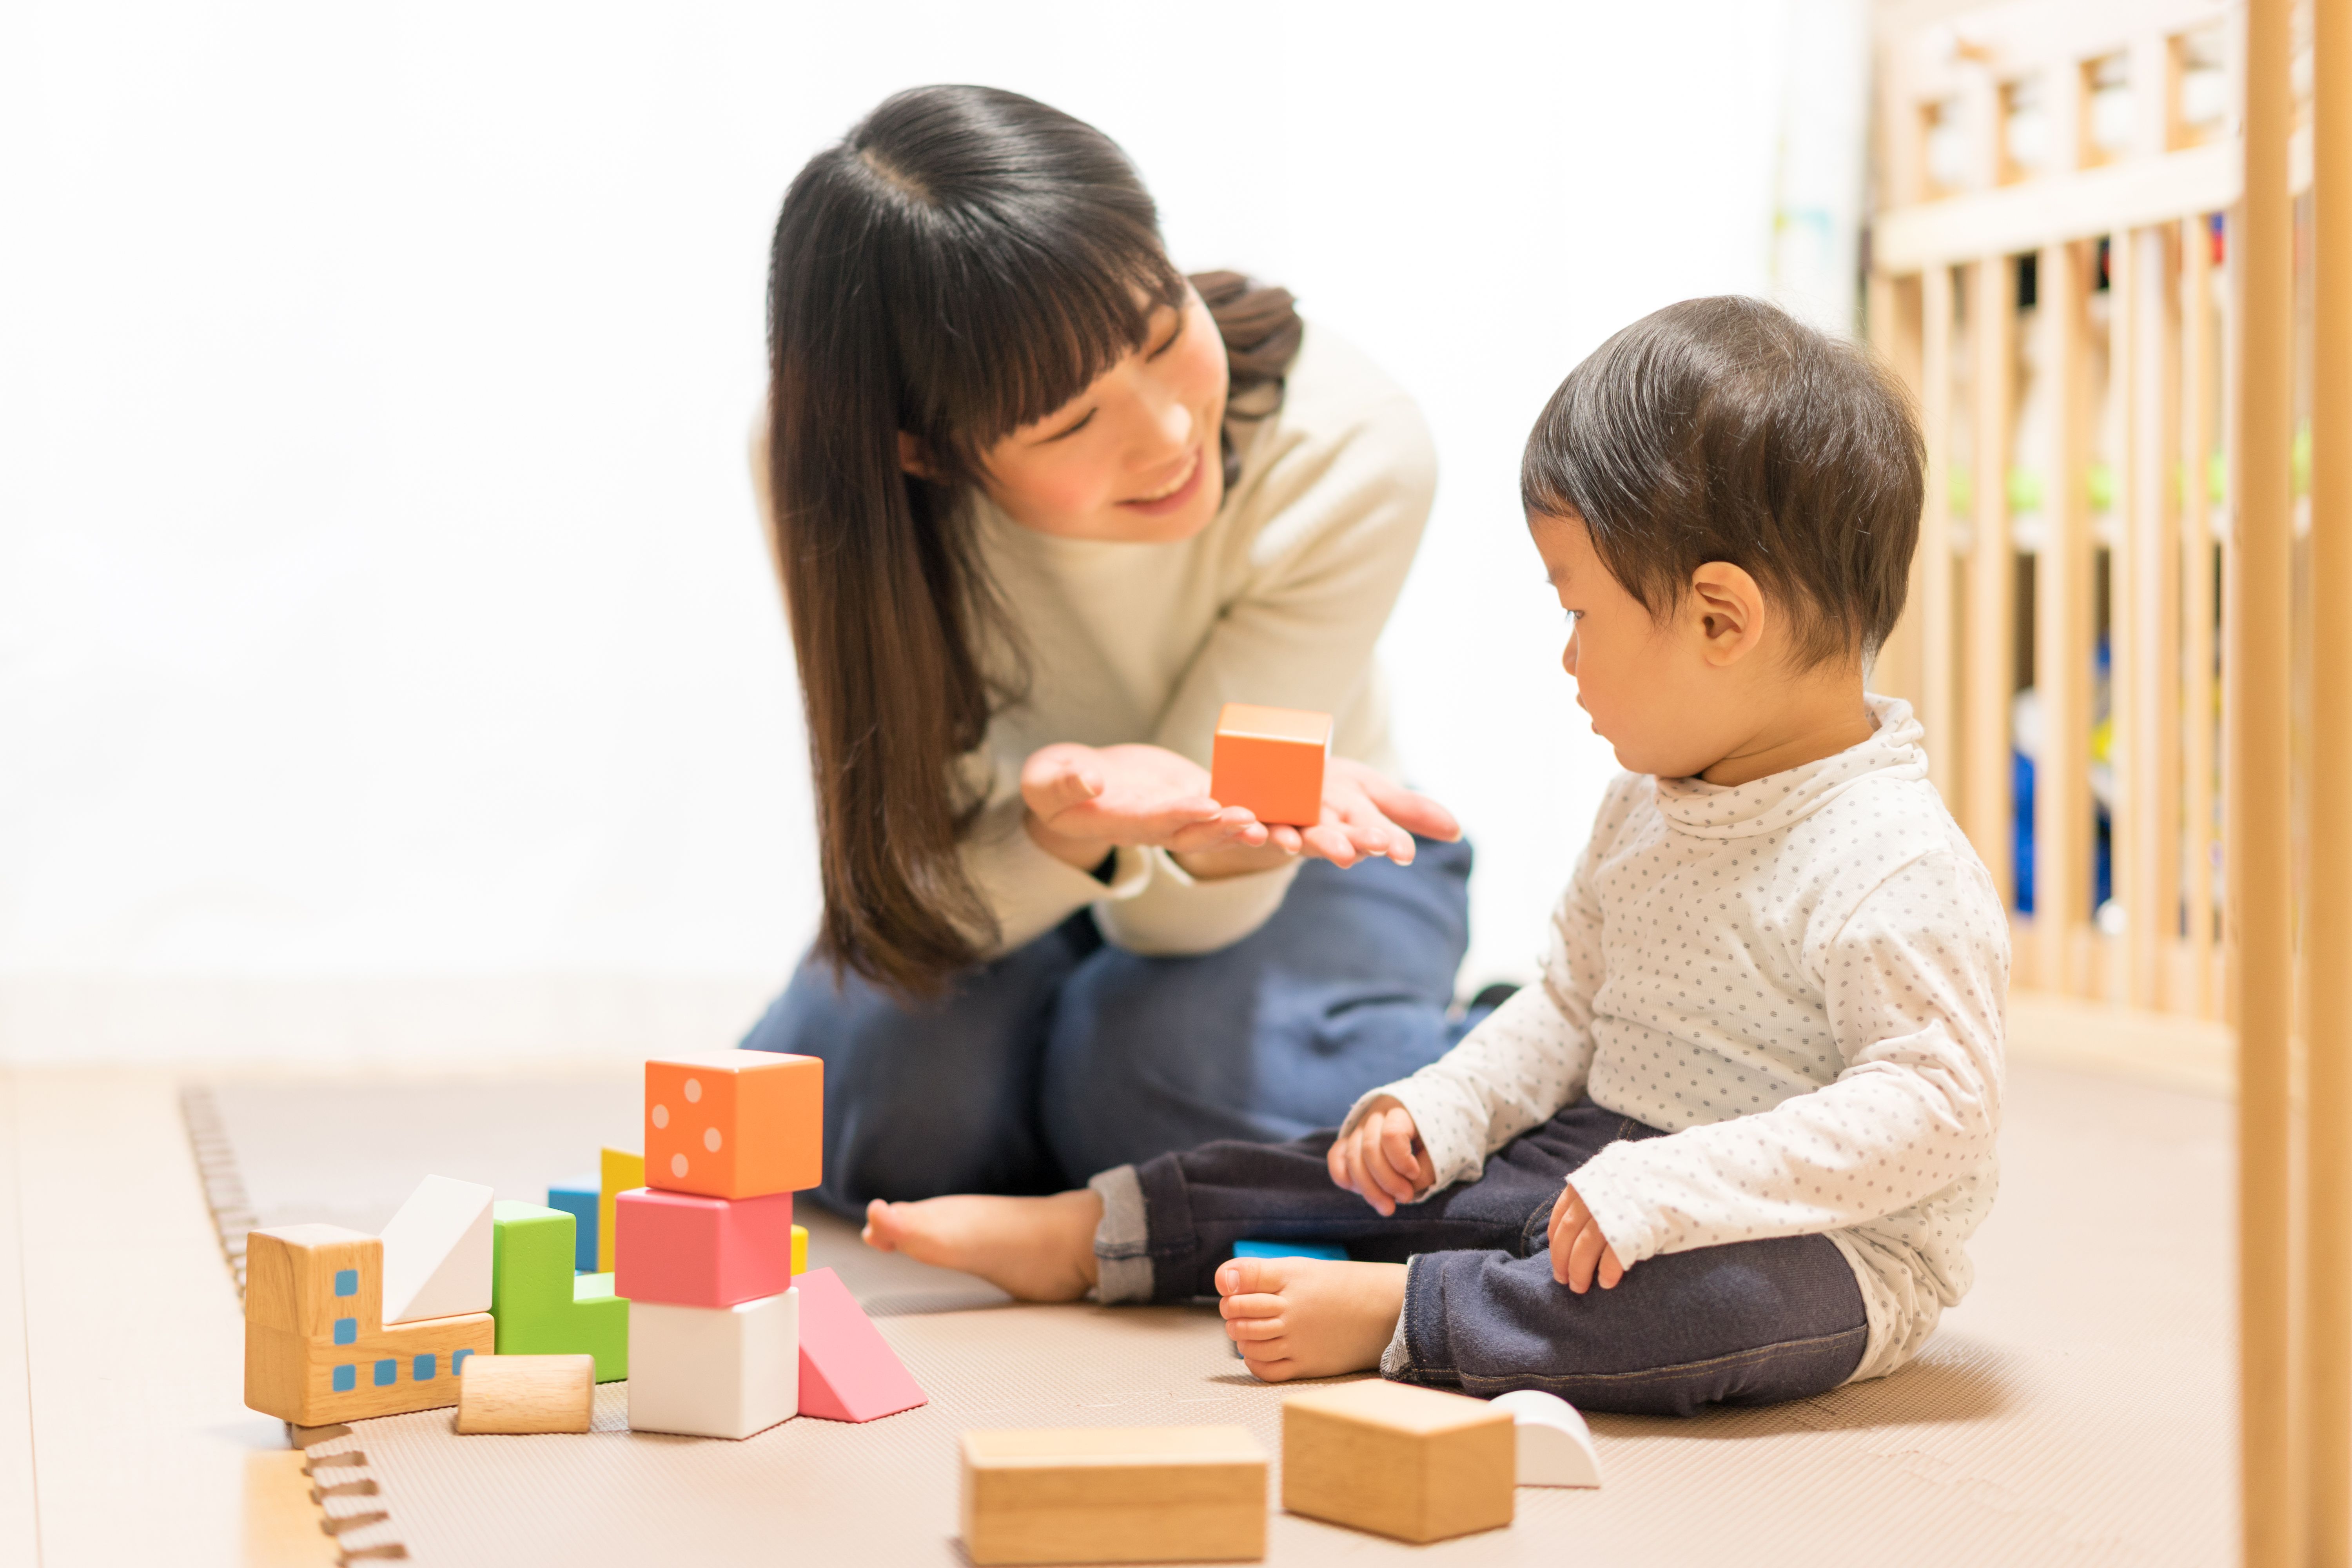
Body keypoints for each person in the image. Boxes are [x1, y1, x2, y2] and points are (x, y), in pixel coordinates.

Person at [861, 297, 2009, 1417]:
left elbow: (1939, 1105)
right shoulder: (1643, 809)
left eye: (1583, 613)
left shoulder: (1890, 858)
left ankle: (1406, 1312)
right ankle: (1099, 1232)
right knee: (1351, 1166)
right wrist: (1443, 1108)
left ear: (1721, 621)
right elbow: (1567, 1006)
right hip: (1602, 1151)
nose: (1567, 659)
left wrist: (1671, 1188)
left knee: (1710, 1304)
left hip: (1811, 1237)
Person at [746, 84, 1481, 1215]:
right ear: (924, 456)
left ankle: (1502, 1047)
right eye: (1070, 423)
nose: (1172, 434)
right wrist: (1060, 834)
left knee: (1147, 1087)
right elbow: (919, 888)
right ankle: (1067, 1097)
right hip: (1008, 854)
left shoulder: (1349, 448)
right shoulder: (831, 475)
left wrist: (1176, 830)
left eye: (1159, 331)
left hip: (1307, 858)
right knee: (901, 1129)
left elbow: (1189, 910)